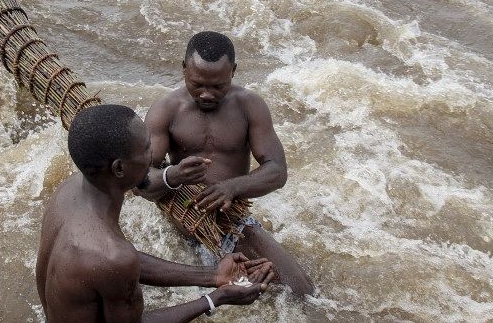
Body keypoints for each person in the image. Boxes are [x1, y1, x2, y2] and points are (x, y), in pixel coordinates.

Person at [36, 104, 275, 322]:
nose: (153, 155)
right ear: (119, 168)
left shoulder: (67, 193)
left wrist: (213, 275)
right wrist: (216, 298)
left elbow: (113, 263)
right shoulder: (112, 256)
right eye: (146, 148)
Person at [136, 32, 315, 296]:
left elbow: (277, 171)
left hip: (232, 220)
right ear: (184, 69)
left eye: (218, 86)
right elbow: (139, 181)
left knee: (299, 290)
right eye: (197, 85)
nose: (207, 94)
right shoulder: (166, 110)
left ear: (233, 71)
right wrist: (173, 175)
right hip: (185, 218)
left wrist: (232, 187)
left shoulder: (249, 106)